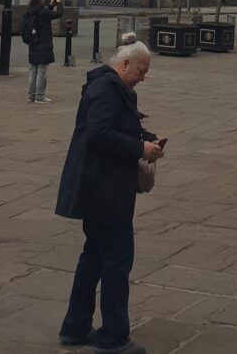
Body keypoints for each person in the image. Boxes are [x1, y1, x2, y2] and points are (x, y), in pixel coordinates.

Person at [57, 33, 163, 354]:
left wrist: (148, 140)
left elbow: (122, 126)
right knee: (117, 259)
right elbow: (99, 133)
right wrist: (138, 147)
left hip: (102, 188)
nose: (142, 79)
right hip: (103, 191)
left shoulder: (119, 89)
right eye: (140, 72)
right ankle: (113, 337)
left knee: (93, 258)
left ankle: (75, 327)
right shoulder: (105, 89)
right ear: (125, 63)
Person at [23, 0, 62, 103]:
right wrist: (59, 2)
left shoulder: (30, 11)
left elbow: (45, 16)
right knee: (42, 71)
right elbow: (59, 13)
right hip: (43, 44)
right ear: (41, 0)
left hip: (33, 43)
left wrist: (51, 5)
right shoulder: (43, 12)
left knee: (33, 70)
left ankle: (31, 96)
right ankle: (40, 96)